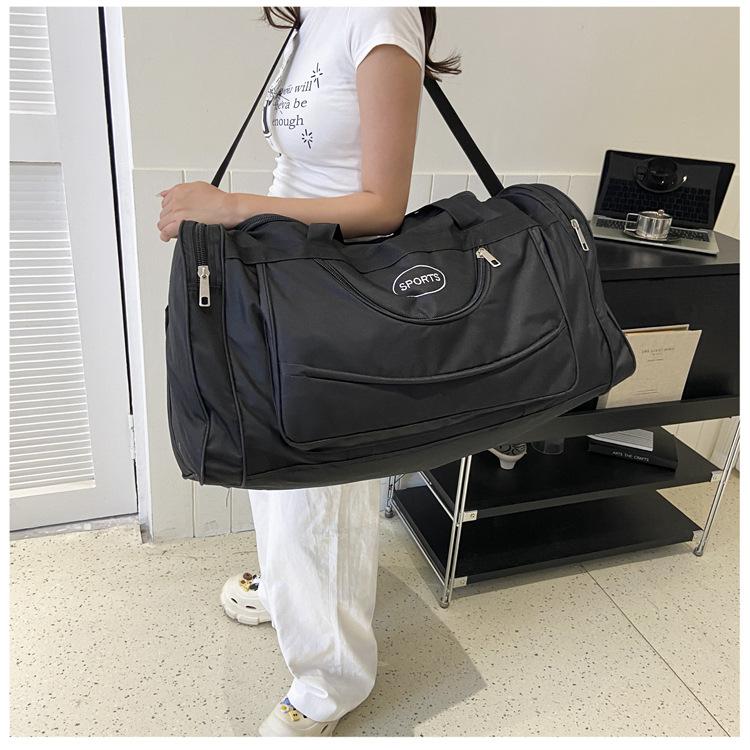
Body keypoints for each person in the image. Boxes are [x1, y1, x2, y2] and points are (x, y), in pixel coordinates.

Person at [157, 6, 460, 737]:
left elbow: (382, 205)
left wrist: (230, 207)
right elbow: (303, 170)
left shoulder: (378, 15)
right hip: (285, 277)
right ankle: (290, 586)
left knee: (322, 489)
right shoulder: (313, 17)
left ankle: (332, 679)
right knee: (274, 459)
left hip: (336, 290)